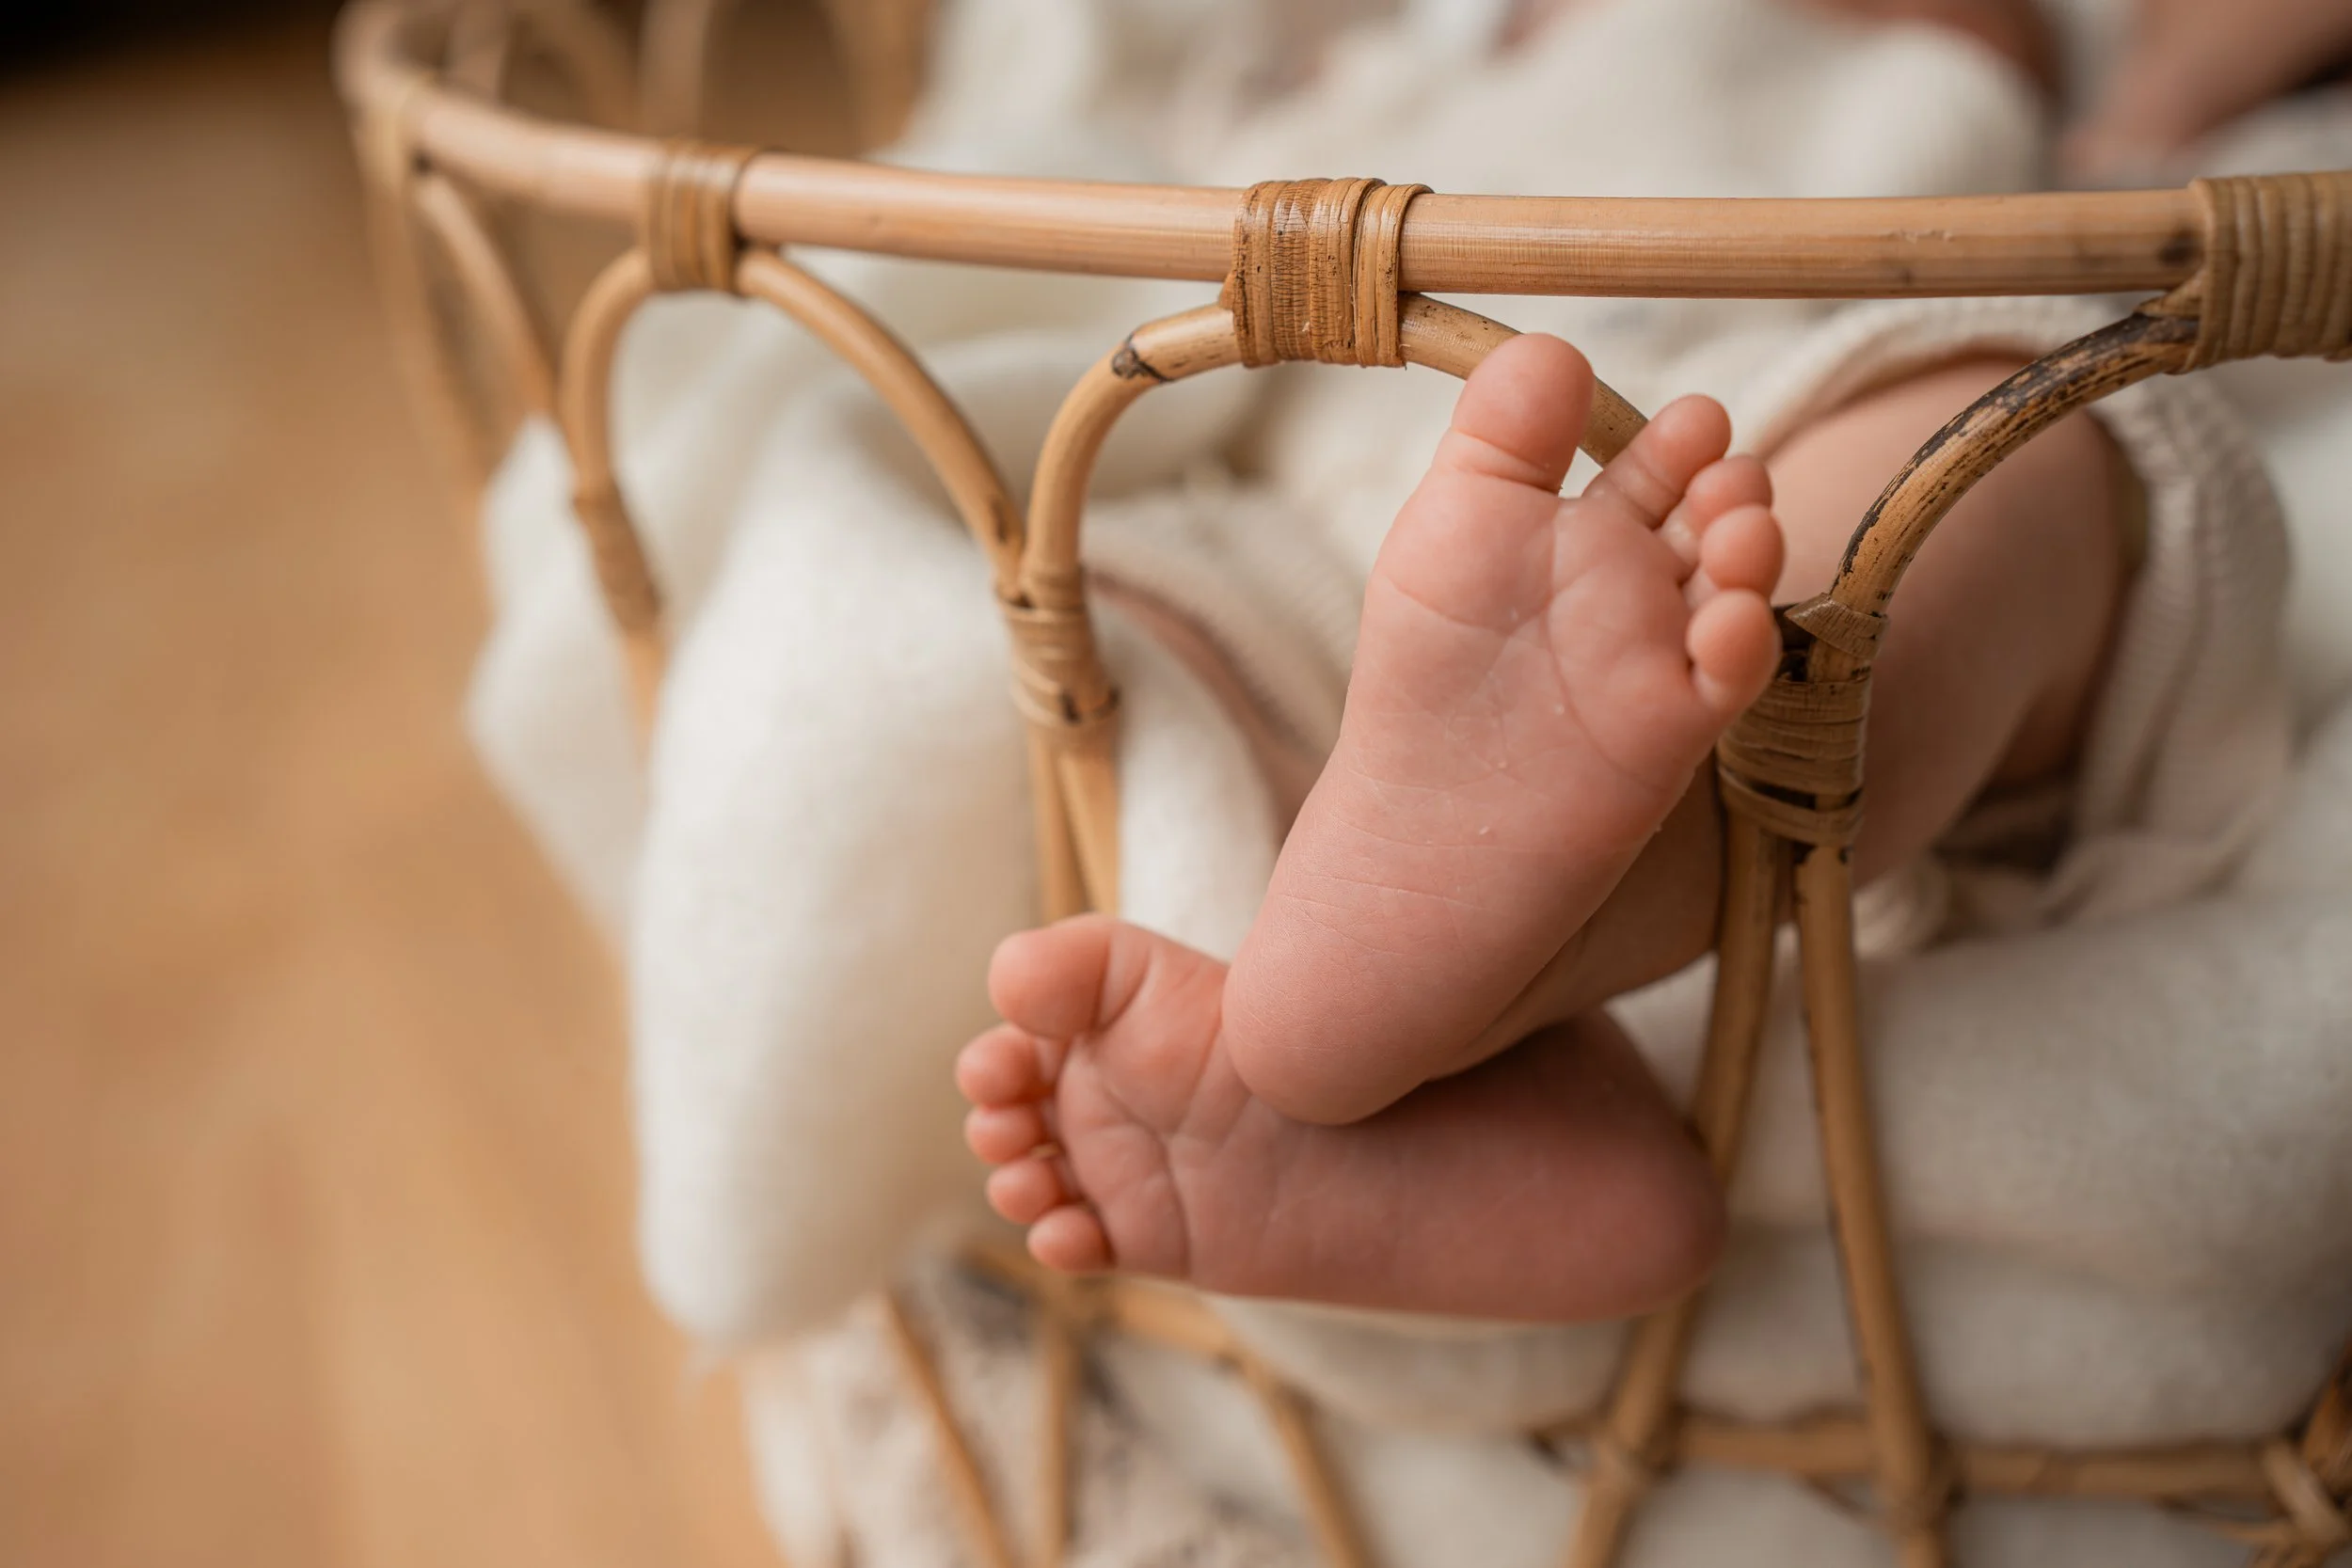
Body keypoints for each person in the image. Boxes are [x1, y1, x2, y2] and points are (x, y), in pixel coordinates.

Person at [953, 0, 2343, 1321]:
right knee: (1151, 597)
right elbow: (1200, 206)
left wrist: (2155, 108)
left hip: (1743, 442)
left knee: (2009, 437)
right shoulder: (1448, 66)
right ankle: (1430, 1018)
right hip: (1382, 531)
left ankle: (1472, 982)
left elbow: (2220, 265)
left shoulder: (2025, 103)